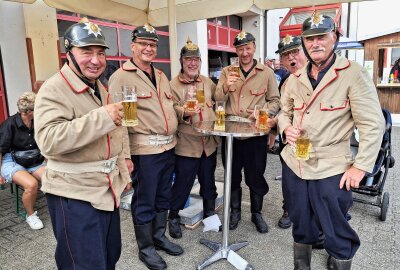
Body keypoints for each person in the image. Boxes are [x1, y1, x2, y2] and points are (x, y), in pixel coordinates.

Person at [278, 12, 385, 270]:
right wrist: (285, 129)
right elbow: (284, 112)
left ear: (334, 37)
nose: (315, 43)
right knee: (301, 223)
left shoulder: (353, 74)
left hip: (332, 168)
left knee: (336, 230)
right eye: (309, 38)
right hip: (295, 165)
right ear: (303, 42)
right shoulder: (295, 78)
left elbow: (373, 124)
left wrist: (360, 166)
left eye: (321, 37)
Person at [34, 18, 131, 269]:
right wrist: (102, 117)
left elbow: (115, 132)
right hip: (74, 195)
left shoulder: (99, 86)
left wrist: (123, 167)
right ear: (69, 53)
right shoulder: (53, 88)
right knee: (84, 264)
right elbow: (48, 140)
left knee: (109, 257)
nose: (96, 60)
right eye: (86, 52)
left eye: (100, 52)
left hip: (105, 190)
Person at [108, 24, 183, 270]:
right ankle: (146, 249)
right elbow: (119, 122)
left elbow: (167, 109)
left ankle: (159, 237)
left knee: (164, 196)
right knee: (145, 200)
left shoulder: (160, 75)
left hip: (167, 148)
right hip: (144, 152)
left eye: (152, 45)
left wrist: (185, 113)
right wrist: (125, 157)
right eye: (143, 44)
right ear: (133, 46)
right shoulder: (121, 77)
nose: (148, 48)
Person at [215, 31, 280, 233]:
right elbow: (217, 98)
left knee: (255, 175)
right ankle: (235, 212)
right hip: (231, 132)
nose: (245, 53)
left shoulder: (266, 72)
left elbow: (275, 100)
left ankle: (256, 214)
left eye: (248, 48)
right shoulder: (227, 71)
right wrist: (226, 86)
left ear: (254, 47)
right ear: (236, 50)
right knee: (232, 175)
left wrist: (263, 112)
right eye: (240, 48)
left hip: (254, 132)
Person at [168, 38, 219, 238]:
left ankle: (209, 214)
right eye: (188, 59)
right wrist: (185, 111)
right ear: (182, 60)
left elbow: (219, 99)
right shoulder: (173, 85)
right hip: (187, 144)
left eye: (196, 59)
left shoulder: (207, 81)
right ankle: (173, 217)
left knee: (209, 182)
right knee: (183, 184)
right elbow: (170, 109)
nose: (192, 63)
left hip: (208, 144)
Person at [273, 34, 308, 230]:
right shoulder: (285, 80)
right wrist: (274, 127)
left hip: (311, 140)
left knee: (312, 180)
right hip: (289, 140)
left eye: (295, 52)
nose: (291, 58)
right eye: (285, 55)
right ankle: (289, 210)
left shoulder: (316, 76)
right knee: (289, 180)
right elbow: (282, 109)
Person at [0, 92, 45, 230]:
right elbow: (0, 150)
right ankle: (30, 215)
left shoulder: (38, 121)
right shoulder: (9, 124)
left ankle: (60, 210)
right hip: (12, 161)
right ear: (29, 112)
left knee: (52, 178)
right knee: (31, 185)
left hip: (34, 160)